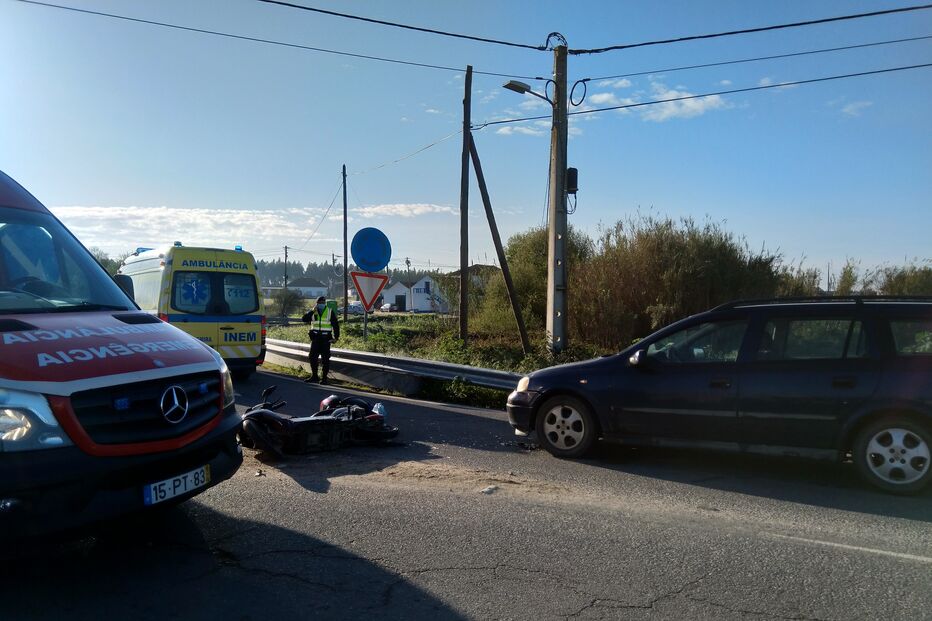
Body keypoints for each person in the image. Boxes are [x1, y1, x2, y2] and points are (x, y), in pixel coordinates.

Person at [301, 296, 339, 384]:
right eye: (319, 303)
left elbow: (335, 325)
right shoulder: (313, 312)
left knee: (325, 359)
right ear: (316, 304)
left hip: (326, 339)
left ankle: (324, 378)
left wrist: (336, 337)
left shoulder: (329, 311)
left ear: (324, 303)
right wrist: (312, 311)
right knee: (312, 357)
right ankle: (315, 376)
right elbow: (304, 319)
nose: (321, 305)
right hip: (315, 338)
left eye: (322, 303)